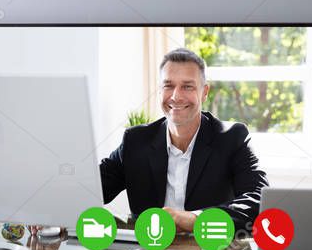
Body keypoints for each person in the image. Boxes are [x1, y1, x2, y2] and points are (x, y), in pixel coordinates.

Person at [99, 48, 269, 234]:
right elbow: (92, 187)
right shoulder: (135, 140)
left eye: (187, 86)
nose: (176, 96)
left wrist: (197, 219)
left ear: (204, 92)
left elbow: (259, 200)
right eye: (168, 86)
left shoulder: (232, 137)